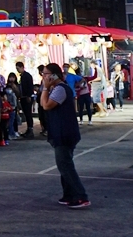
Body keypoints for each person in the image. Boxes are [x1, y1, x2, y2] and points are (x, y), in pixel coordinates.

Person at [39, 63, 89, 209]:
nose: (44, 77)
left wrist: (46, 87)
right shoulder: (57, 88)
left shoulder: (60, 89)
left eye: (46, 74)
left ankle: (80, 196)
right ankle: (69, 195)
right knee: (64, 164)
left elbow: (46, 105)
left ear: (54, 75)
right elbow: (43, 104)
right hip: (61, 131)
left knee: (65, 165)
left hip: (64, 133)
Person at [16, 62, 36, 139]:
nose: (17, 70)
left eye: (18, 68)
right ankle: (28, 129)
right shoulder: (22, 76)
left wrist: (29, 96)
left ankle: (30, 130)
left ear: (22, 67)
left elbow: (30, 86)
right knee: (26, 113)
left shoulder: (27, 76)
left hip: (27, 97)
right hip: (23, 97)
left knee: (28, 114)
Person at [5, 73, 20, 140]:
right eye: (10, 77)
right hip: (7, 106)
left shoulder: (17, 85)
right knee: (9, 120)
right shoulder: (7, 86)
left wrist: (15, 88)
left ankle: (15, 131)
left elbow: (19, 94)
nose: (11, 79)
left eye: (13, 77)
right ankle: (11, 133)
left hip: (14, 105)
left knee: (14, 119)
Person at [36, 64, 47, 135]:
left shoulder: (49, 77)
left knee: (45, 115)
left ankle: (46, 129)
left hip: (45, 98)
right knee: (42, 115)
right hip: (41, 98)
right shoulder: (43, 79)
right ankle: (44, 129)